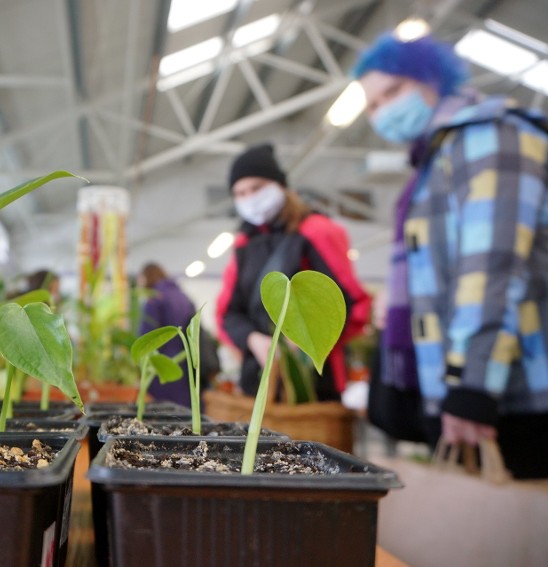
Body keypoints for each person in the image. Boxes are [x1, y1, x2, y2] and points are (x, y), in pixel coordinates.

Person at [354, 31, 548, 478]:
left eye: (393, 91)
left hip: (512, 392)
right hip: (476, 382)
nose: (382, 111)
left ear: (431, 80)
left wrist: (471, 387)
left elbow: (493, 266)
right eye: (372, 104)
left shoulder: (491, 137)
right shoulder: (436, 158)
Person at [216, 143, 371, 401]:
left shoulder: (316, 231)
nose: (249, 199)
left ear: (281, 186)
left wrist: (302, 340)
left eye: (256, 188)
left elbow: (350, 301)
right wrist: (253, 339)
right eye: (240, 193)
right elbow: (229, 312)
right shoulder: (244, 243)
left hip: (314, 380)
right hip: (258, 379)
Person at [138, 262, 201, 406]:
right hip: (185, 362)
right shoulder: (184, 296)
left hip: (161, 365)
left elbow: (147, 337)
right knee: (182, 412)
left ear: (147, 277)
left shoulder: (155, 298)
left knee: (162, 414)